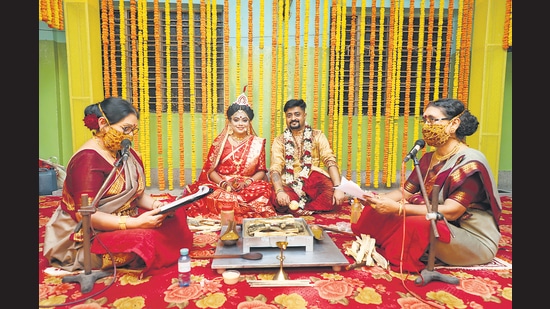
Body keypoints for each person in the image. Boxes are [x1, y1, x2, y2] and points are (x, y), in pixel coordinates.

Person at [43, 97, 193, 275]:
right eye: (125, 129)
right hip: (86, 234)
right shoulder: (87, 161)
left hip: (123, 219)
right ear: (102, 123)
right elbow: (86, 216)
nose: (129, 136)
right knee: (146, 238)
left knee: (175, 214)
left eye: (133, 130)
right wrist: (136, 223)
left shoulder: (125, 152)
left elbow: (136, 195)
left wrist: (157, 206)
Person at [351, 98, 502, 273]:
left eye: (432, 119)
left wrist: (399, 209)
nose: (426, 126)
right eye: (425, 120)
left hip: (471, 238)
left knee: (418, 222)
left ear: (454, 124)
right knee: (379, 209)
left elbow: (452, 211)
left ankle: (405, 251)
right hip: (438, 221)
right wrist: (374, 199)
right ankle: (390, 242)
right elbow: (404, 193)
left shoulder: (470, 162)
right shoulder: (428, 159)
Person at [180, 89, 277, 223]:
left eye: (244, 120)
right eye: (236, 120)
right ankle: (238, 210)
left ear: (249, 123)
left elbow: (261, 171)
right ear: (230, 122)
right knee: (207, 193)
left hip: (247, 185)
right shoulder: (219, 142)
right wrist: (224, 184)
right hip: (222, 184)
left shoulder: (257, 143)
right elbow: (211, 170)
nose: (240, 123)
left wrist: (247, 183)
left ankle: (231, 210)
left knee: (264, 190)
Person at [269, 98, 347, 216]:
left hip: (313, 180)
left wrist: (338, 187)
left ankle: (299, 208)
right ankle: (307, 206)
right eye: (289, 115)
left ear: (304, 115)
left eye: (297, 114)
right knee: (278, 200)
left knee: (331, 194)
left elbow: (329, 160)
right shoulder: (279, 141)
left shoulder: (317, 135)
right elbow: (275, 168)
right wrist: (279, 191)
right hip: (289, 182)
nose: (293, 118)